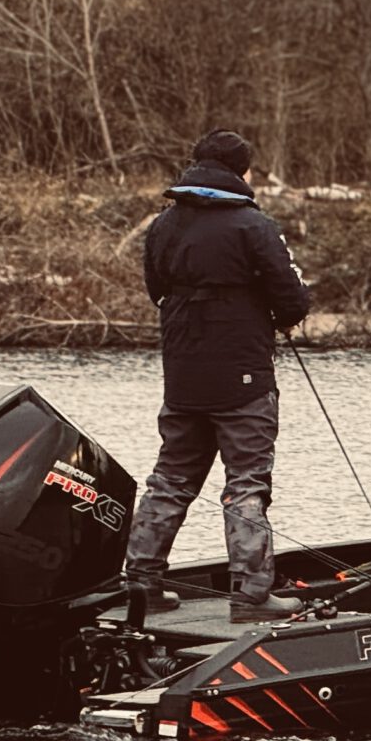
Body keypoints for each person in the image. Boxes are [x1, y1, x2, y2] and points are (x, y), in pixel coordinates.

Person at [121, 129, 313, 622]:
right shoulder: (254, 225)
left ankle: (141, 583)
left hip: (182, 376)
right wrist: (275, 314)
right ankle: (251, 595)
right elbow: (292, 298)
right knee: (246, 484)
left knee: (170, 478)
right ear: (241, 171)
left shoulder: (163, 224)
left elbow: (155, 289)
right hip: (242, 378)